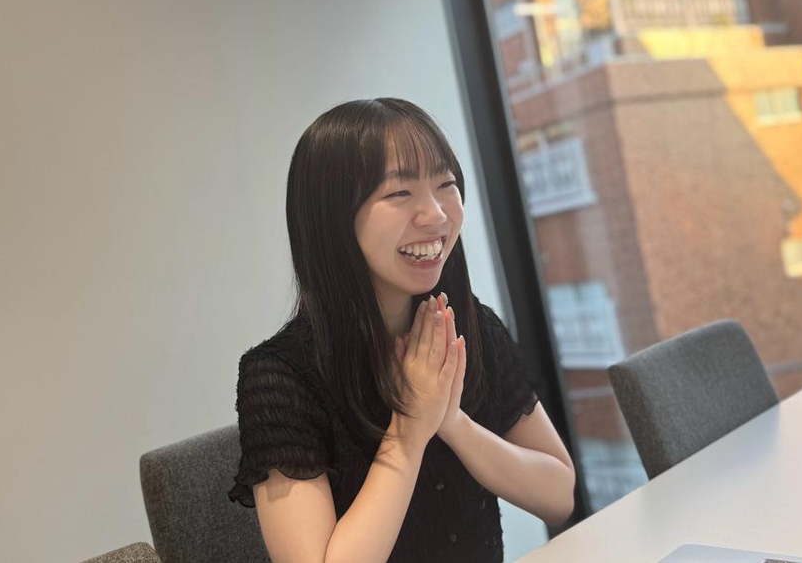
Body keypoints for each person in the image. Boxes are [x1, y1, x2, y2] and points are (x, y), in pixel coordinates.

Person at [228, 98, 576, 563]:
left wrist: (453, 423)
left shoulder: (468, 327)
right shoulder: (279, 377)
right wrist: (409, 429)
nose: (436, 215)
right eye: (399, 193)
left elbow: (558, 493)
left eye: (446, 184)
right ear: (333, 218)